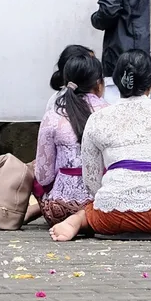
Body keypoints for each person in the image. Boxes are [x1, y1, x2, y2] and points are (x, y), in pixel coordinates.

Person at [49, 50, 151, 241]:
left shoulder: (98, 118)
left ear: (116, 81)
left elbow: (91, 180)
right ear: (150, 83)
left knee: (88, 212)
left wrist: (110, 198)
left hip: (110, 216)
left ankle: (76, 222)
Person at [35, 49, 105, 225]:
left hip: (61, 209)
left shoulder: (53, 115)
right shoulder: (110, 112)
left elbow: (44, 177)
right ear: (98, 83)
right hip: (103, 207)